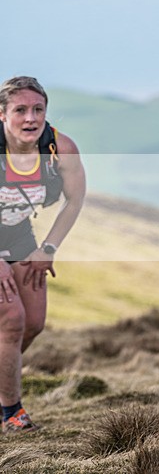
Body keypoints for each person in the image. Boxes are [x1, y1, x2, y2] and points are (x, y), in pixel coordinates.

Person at [0, 76, 86, 433]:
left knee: (33, 324)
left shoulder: (58, 148)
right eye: (20, 110)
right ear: (2, 115)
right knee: (11, 319)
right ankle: (12, 413)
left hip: (19, 234)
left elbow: (75, 198)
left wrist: (48, 248)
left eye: (38, 109)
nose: (30, 118)